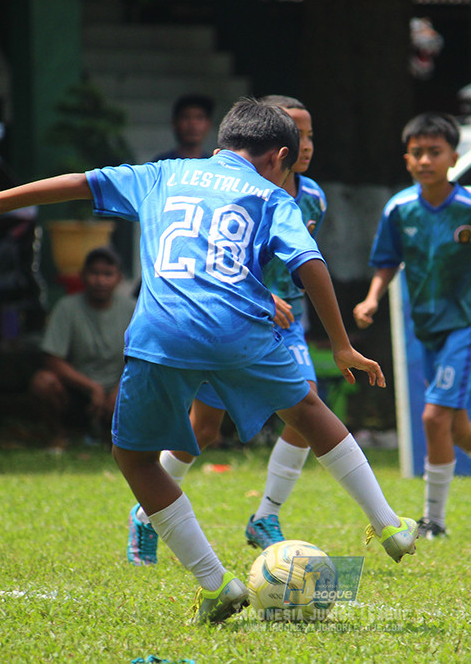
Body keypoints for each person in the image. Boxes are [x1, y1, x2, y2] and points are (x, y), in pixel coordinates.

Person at [0, 98, 419, 625]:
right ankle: (387, 523)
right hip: (240, 328)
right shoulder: (271, 193)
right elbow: (309, 261)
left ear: (220, 143)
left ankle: (216, 584)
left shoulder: (164, 173)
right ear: (280, 156)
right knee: (307, 410)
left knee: (137, 459)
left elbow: (80, 183)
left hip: (163, 332)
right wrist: (342, 343)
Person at [126, 95, 328, 565]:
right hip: (232, 317)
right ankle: (145, 509)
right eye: (295, 133)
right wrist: (260, 295)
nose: (305, 144)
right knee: (205, 428)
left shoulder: (313, 196)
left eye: (311, 133)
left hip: (285, 323)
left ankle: (266, 514)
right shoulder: (231, 185)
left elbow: (302, 259)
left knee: (306, 404)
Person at [352, 112, 471, 541]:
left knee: (433, 418)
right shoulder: (399, 209)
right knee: (454, 427)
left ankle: (433, 523)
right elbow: (387, 261)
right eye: (417, 152)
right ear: (407, 159)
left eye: (434, 152)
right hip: (429, 326)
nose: (425, 160)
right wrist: (371, 298)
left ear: (453, 157)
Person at [29, 246, 135, 450]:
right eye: (94, 273)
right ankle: (60, 435)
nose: (100, 280)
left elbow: (142, 358)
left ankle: (120, 438)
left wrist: (118, 390)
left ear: (119, 278)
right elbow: (52, 358)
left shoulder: (133, 309)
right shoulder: (67, 307)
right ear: (83, 276)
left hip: (121, 388)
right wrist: (90, 387)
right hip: (79, 390)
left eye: (107, 274)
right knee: (43, 382)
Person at [150, 93, 214, 162]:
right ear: (174, 123)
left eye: (199, 118)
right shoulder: (162, 163)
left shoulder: (213, 164)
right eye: (186, 117)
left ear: (209, 124)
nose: (193, 123)